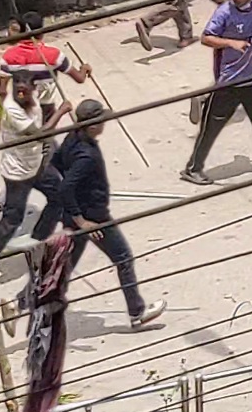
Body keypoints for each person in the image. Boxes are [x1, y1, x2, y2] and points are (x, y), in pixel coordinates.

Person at [30, 100, 167, 328]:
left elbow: (57, 162)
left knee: (63, 270)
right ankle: (137, 313)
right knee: (122, 257)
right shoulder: (87, 155)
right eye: (101, 119)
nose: (105, 122)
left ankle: (21, 304)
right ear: (93, 126)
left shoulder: (72, 138)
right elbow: (65, 187)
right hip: (95, 219)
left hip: (79, 217)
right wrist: (82, 220)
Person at [183, 0, 252, 186]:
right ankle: (193, 169)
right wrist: (231, 43)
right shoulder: (224, 12)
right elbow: (206, 38)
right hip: (229, 80)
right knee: (211, 127)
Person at [0, 76, 69, 258]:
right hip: (18, 172)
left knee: (59, 196)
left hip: (36, 164)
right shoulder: (12, 109)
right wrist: (61, 112)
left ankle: (38, 240)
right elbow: (39, 135)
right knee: (13, 218)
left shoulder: (32, 99)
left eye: (25, 90)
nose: (21, 94)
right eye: (18, 90)